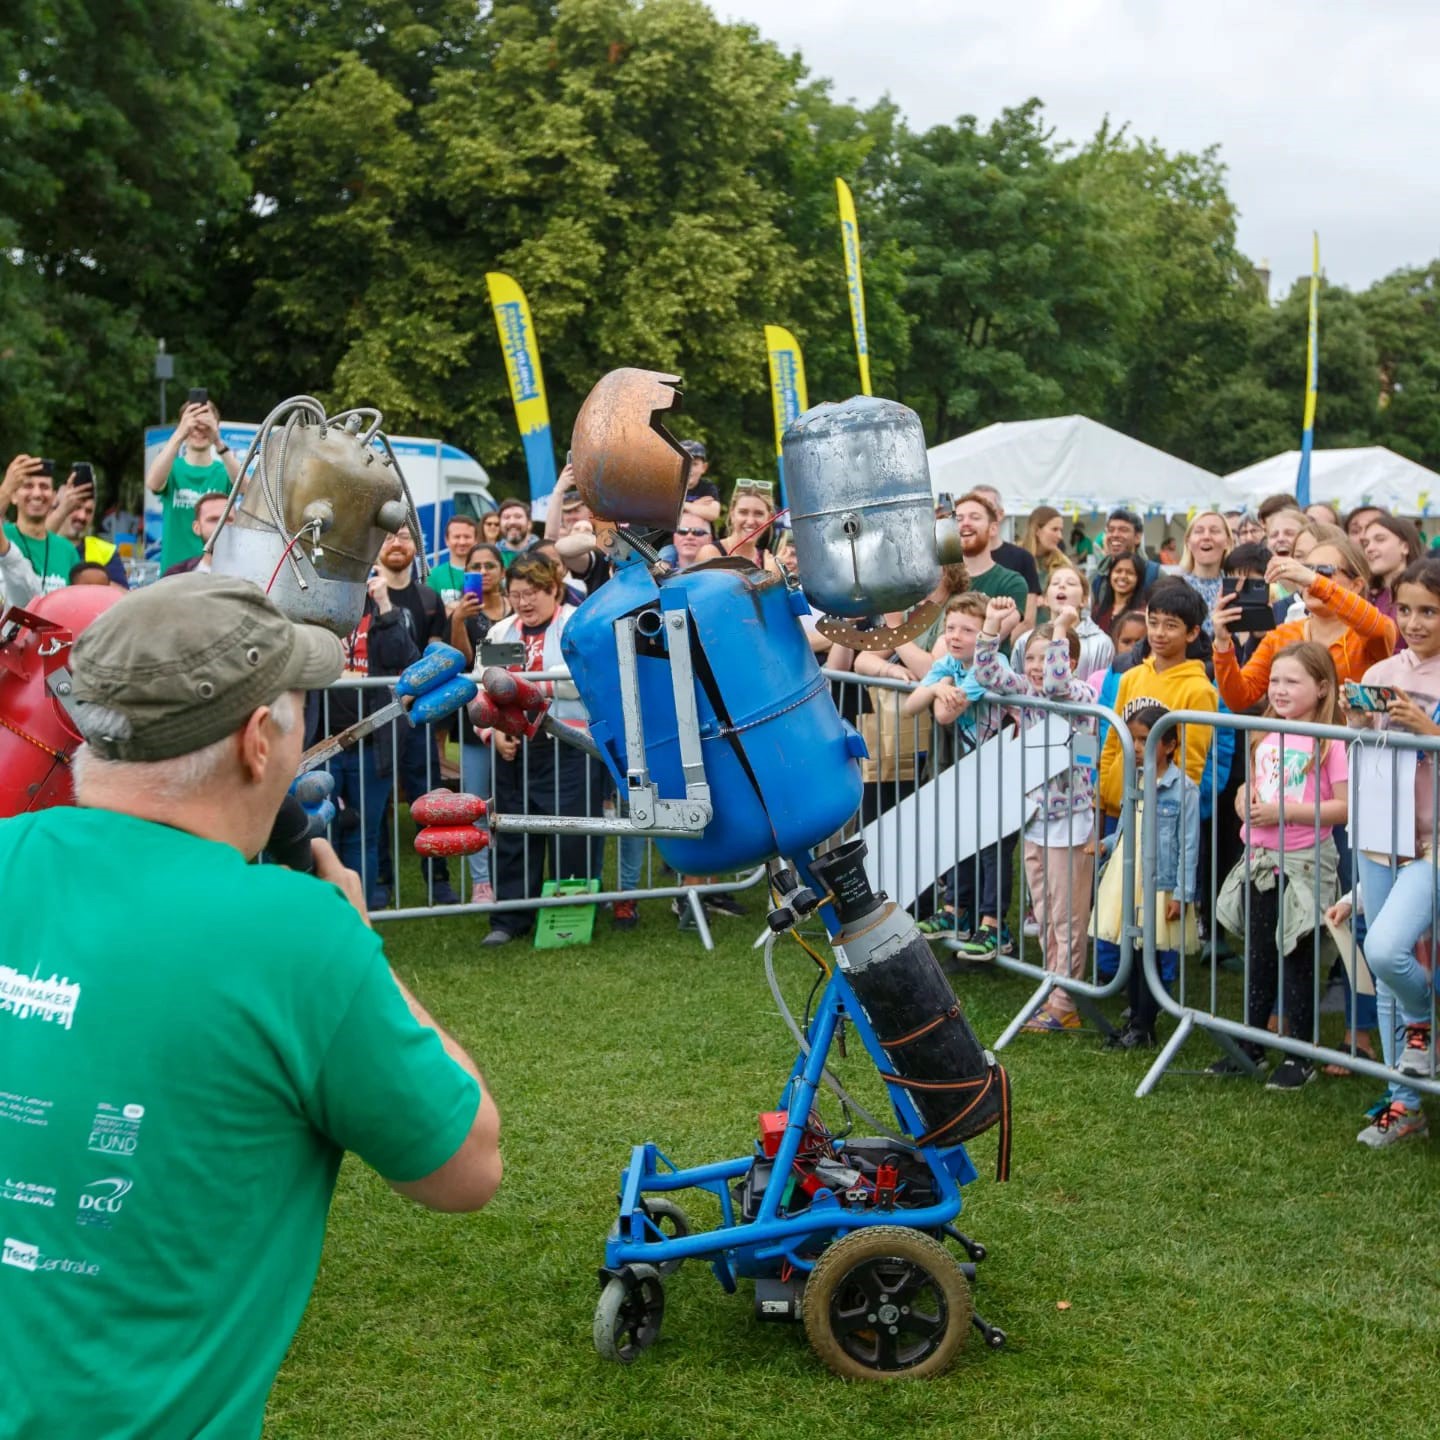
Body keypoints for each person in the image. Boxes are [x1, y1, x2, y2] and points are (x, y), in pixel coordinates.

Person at [0, 575, 501, 1437]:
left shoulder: (10, 851)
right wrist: (358, 945)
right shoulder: (299, 936)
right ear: (256, 741)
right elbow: (466, 1167)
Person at [1326, 558, 1440, 1147]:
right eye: (1408, 609)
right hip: (1378, 833)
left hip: (1430, 845)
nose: (1415, 623)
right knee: (1386, 971)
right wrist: (1357, 719)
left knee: (1389, 949)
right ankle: (1405, 1103)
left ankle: (1426, 1024)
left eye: (1430, 611)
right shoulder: (1383, 669)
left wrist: (1429, 730)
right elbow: (1365, 749)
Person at [1211, 643, 1348, 1089]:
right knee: (1260, 955)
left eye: (1292, 681)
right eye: (1274, 680)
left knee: (1297, 959)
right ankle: (1250, 1045)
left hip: (1305, 864)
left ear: (1322, 687)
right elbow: (1256, 785)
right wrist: (1243, 797)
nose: (1280, 689)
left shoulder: (1330, 741)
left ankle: (1299, 1054)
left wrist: (1284, 813)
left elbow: (1342, 807)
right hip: (1260, 860)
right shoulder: (1265, 733)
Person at [972, 599, 1098, 1031]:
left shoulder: (1081, 695)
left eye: (1048, 657)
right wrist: (992, 626)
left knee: (1067, 917)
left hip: (1071, 824)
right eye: (1031, 658)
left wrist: (1061, 626)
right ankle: (1052, 985)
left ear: (1070, 660)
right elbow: (986, 675)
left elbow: (1059, 686)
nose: (1038, 667)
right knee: (1044, 913)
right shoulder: (1025, 692)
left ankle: (1066, 1001)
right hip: (1034, 819)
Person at [477, 554, 608, 946]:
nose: (523, 602)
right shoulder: (500, 631)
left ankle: (570, 915)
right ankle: (510, 918)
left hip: (570, 745)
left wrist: (525, 688)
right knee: (512, 832)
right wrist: (495, 731)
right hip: (515, 749)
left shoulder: (576, 625)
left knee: (574, 833)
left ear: (554, 590)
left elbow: (585, 679)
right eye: (516, 594)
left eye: (532, 593)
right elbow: (482, 685)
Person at [1094, 702, 1200, 1049]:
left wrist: (1182, 892)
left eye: (1144, 740)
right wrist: (1108, 844)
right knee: (1132, 949)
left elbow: (1189, 845)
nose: (1136, 748)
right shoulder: (1136, 780)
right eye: (1133, 740)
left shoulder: (1183, 790)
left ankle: (1144, 1024)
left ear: (1169, 745)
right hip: (1130, 876)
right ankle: (1136, 1019)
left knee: (1148, 954)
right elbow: (1129, 825)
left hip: (1159, 882)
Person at [1211, 536, 1396, 713]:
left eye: (1324, 571)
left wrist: (1314, 581)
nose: (1308, 580)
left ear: (1355, 585)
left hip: (1354, 736)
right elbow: (1239, 699)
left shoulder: (1368, 634)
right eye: (1306, 569)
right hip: (1292, 736)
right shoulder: (1282, 635)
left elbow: (1380, 629)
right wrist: (1222, 643)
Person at [906, 594, 990, 939]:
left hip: (990, 768)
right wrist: (938, 687)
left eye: (967, 630)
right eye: (950, 627)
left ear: (985, 635)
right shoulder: (948, 665)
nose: (955, 636)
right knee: (956, 836)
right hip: (961, 767)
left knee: (987, 847)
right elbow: (911, 706)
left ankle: (988, 921)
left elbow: (943, 715)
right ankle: (956, 909)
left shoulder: (985, 666)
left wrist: (937, 691)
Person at [1098, 581, 1216, 823]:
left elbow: (1190, 763)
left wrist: (1173, 811)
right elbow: (1112, 741)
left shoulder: (1199, 690)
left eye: (1171, 626)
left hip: (1161, 814)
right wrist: (1102, 794)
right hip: (1118, 804)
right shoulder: (1131, 677)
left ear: (1192, 633)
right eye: (1153, 623)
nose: (1159, 633)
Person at [449, 543, 511, 904]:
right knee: (477, 802)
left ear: (502, 570)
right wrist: (458, 621)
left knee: (513, 801)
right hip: (476, 721)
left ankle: (512, 874)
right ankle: (482, 881)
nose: (484, 572)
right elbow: (463, 661)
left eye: (490, 565)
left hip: (513, 720)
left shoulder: (518, 607)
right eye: (476, 566)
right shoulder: (463, 613)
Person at [143, 398, 241, 571]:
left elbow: (248, 488)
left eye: (206, 426)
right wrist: (179, 433)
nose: (199, 431)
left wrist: (218, 441)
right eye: (194, 425)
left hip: (214, 571)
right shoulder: (172, 469)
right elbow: (152, 483)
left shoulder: (224, 471)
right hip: (174, 572)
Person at [1009, 564, 1114, 682]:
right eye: (1055, 583)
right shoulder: (1025, 640)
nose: (1062, 586)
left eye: (1071, 583)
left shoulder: (1101, 643)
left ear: (1084, 600)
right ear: (1046, 599)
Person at [952, 492, 1028, 635]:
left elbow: (990, 638)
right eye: (958, 519)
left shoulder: (1011, 582)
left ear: (993, 528)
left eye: (975, 517)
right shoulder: (939, 581)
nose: (965, 523)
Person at [1, 457, 81, 594]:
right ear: (13, 496)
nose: (37, 494)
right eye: (28, 486)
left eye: (44, 487)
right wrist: (5, 489)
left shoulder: (67, 551)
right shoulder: (3, 538)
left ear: (53, 497)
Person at [46, 471, 128, 586]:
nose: (82, 516)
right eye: (75, 507)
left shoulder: (105, 551)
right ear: (57, 506)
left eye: (89, 511)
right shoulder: (41, 548)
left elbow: (123, 595)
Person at [1360, 511, 1424, 643]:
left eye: (1380, 539)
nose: (1369, 549)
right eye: (1366, 543)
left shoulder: (1427, 592)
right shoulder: (1365, 595)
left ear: (1405, 547)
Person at [971, 485, 1042, 600]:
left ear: (1000, 514)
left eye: (988, 509)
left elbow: (1029, 609)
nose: (982, 514)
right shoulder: (955, 559)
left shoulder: (1022, 558)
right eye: (974, 511)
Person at [698, 479, 782, 576]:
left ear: (769, 519)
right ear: (732, 514)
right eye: (743, 512)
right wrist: (770, 577)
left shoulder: (768, 561)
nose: (750, 521)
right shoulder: (711, 554)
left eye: (758, 514)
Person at [1178, 510, 1233, 633]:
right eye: (1199, 531)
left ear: (1227, 542)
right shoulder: (1174, 586)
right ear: (1188, 542)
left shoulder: (1237, 587)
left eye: (1214, 531)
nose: (1206, 536)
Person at [162, 491, 231, 576]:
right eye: (213, 519)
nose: (222, 525)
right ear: (197, 528)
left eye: (229, 519)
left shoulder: (247, 574)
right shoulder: (175, 575)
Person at [427, 514, 479, 609]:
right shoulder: (433, 576)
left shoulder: (484, 572)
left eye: (467, 537)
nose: (462, 542)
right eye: (457, 537)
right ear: (447, 540)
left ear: (476, 540)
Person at [1092, 551, 1148, 634]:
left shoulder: (1142, 613)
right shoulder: (1098, 611)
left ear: (1139, 578)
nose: (1122, 576)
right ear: (1110, 574)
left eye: (1130, 573)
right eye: (1118, 571)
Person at [677, 439, 722, 528]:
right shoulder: (668, 486)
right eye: (684, 462)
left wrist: (682, 506)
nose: (689, 469)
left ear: (704, 467)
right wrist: (695, 506)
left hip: (700, 534)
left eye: (694, 464)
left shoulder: (708, 488)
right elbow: (663, 511)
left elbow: (713, 513)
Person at [1020, 505, 1067, 578]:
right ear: (1037, 530)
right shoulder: (1015, 557)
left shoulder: (1062, 562)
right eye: (1054, 529)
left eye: (1061, 530)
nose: (1060, 536)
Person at [495, 498, 537, 566]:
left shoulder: (542, 552)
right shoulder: (493, 556)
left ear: (529, 523)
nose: (512, 522)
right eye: (506, 517)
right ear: (499, 524)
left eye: (518, 517)